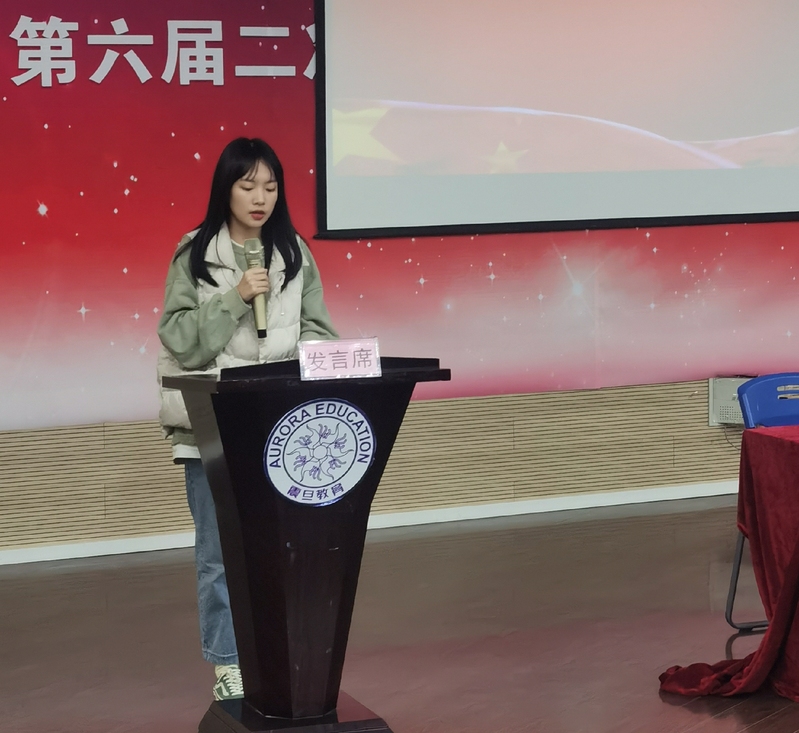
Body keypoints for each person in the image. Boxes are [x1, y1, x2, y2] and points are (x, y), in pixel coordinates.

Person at [156, 138, 338, 701]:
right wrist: (236, 296)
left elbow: (318, 331)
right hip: (212, 426)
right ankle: (228, 663)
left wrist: (317, 370)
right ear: (226, 189)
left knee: (283, 549)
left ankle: (281, 653)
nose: (261, 198)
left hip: (280, 428)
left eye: (271, 186)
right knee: (219, 554)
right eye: (248, 185)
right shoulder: (194, 253)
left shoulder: (293, 252)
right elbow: (180, 340)